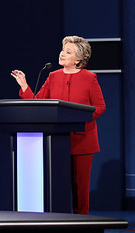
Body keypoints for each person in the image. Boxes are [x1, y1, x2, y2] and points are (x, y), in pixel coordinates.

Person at [11, 35, 106, 214]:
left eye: (68, 52)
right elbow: (37, 102)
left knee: (80, 189)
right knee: (57, 185)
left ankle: (81, 228)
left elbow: (100, 107)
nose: (62, 54)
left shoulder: (89, 78)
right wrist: (24, 86)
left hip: (83, 141)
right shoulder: (52, 76)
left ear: (79, 59)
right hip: (56, 141)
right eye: (63, 50)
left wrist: (80, 119)